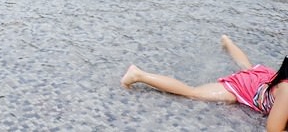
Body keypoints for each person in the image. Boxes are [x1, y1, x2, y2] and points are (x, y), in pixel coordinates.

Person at [121, 35, 288, 131]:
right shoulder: (287, 92)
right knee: (192, 92)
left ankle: (228, 42)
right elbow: (273, 129)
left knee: (248, 69)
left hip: (264, 80)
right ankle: (138, 75)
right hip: (245, 88)